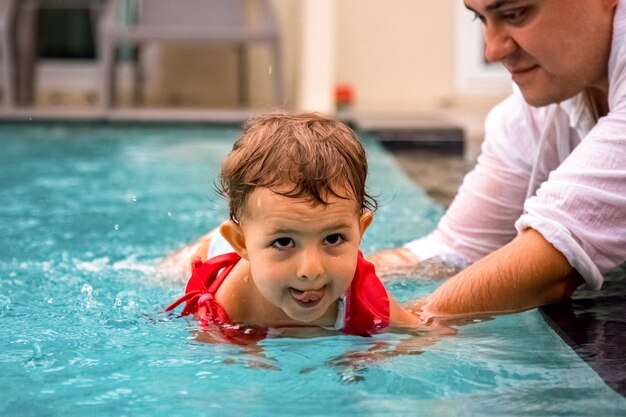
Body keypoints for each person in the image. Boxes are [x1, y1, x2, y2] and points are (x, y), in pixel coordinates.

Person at [369, 0, 626, 320]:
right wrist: (323, 277)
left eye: (516, 14)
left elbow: (552, 267)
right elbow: (454, 249)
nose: (492, 50)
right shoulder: (536, 112)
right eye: (480, 18)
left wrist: (403, 325)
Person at [165, 112, 423, 343]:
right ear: (241, 243)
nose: (311, 270)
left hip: (259, 229)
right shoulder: (231, 302)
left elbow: (421, 335)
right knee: (172, 270)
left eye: (333, 238)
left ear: (360, 232)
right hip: (217, 252)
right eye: (284, 242)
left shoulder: (363, 296)